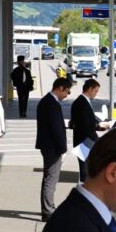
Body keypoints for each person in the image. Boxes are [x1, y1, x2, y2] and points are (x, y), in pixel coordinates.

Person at [36, 77, 73, 221]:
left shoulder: (47, 101)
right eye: (67, 92)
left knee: (49, 178)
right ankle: (48, 210)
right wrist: (63, 148)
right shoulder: (52, 104)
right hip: (52, 147)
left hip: (48, 146)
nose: (67, 95)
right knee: (51, 178)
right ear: (61, 88)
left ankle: (48, 207)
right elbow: (55, 129)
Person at [71, 78, 108, 184]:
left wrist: (98, 124)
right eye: (96, 91)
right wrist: (99, 127)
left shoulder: (79, 102)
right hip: (85, 143)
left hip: (82, 141)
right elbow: (86, 125)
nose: (96, 94)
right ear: (90, 89)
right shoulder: (82, 103)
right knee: (85, 173)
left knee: (86, 171)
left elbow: (85, 121)